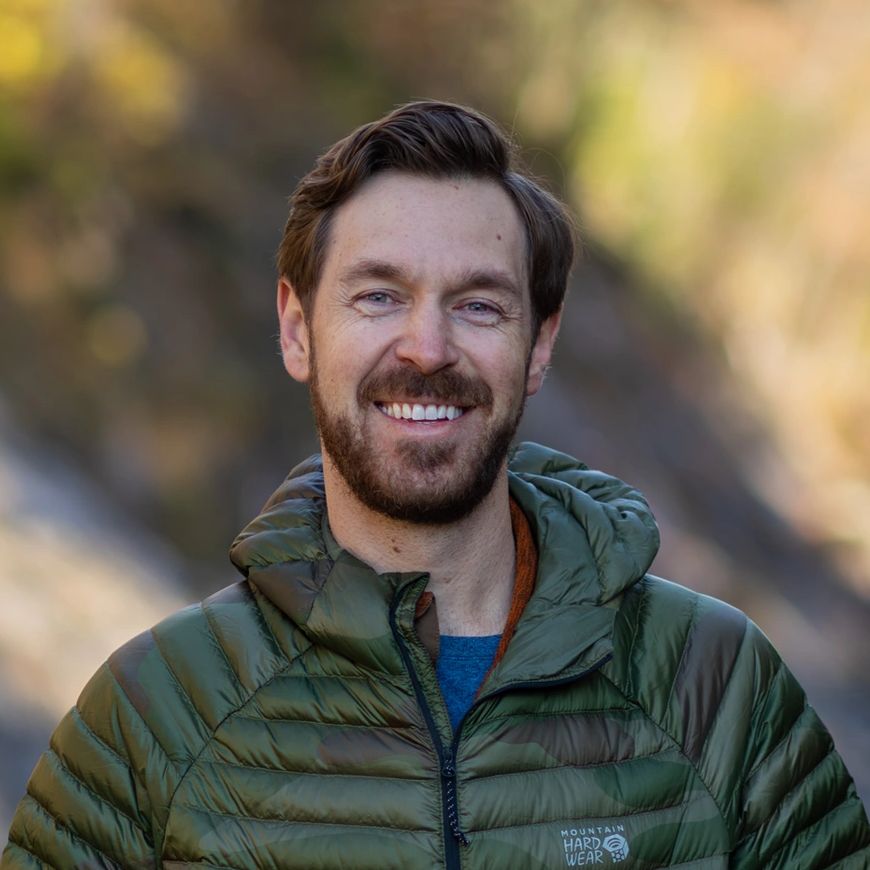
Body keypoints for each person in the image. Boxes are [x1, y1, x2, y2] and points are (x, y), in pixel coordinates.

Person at [3, 101, 868, 869]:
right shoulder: (156, 713)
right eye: (379, 296)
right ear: (297, 329)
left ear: (539, 348)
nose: (426, 347)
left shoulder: (715, 685)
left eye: (480, 305)